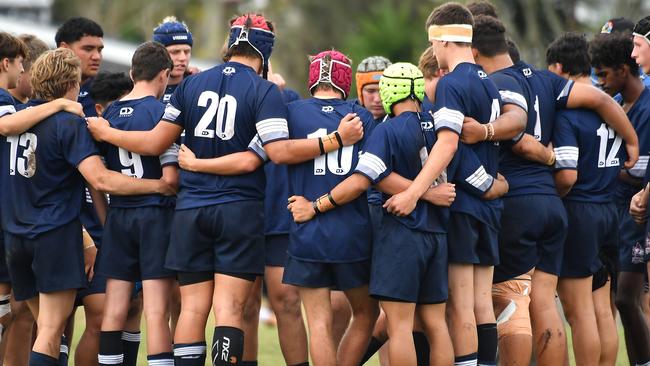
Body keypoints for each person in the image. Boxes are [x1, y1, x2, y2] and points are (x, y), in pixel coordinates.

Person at [86, 14, 364, 366]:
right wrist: (336, 139)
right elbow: (277, 153)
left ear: (231, 45)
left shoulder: (190, 84)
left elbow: (156, 141)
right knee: (230, 308)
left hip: (190, 210)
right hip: (238, 209)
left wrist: (107, 132)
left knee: (192, 308)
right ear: (265, 52)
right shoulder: (264, 90)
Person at [289, 61, 509, 366]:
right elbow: (482, 184)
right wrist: (504, 184)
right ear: (419, 89)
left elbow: (368, 177)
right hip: (438, 238)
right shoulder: (446, 131)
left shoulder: (388, 130)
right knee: (435, 323)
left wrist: (315, 206)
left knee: (400, 325)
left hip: (401, 236)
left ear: (389, 90)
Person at [469, 15, 638, 365]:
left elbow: (541, 155)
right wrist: (632, 141)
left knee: (517, 302)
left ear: (473, 52)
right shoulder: (545, 80)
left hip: (524, 201)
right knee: (553, 305)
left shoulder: (495, 83)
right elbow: (603, 100)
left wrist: (536, 154)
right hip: (566, 207)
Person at [1, 47, 174, 366]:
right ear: (71, 84)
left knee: (45, 330)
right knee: (52, 331)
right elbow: (102, 180)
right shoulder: (67, 123)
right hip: (51, 234)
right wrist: (158, 186)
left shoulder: (17, 119)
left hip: (15, 238)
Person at [384, 4, 526, 365]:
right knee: (481, 304)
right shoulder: (487, 82)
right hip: (490, 207)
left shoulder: (450, 83)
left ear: (442, 41)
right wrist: (492, 186)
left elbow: (450, 144)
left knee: (460, 307)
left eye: (432, 44)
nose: (431, 51)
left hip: (465, 205)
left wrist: (414, 192)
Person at [551, 32, 635, 366]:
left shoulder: (568, 113)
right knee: (603, 307)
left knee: (578, 310)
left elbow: (568, 174)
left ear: (558, 69)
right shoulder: (610, 104)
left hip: (580, 211)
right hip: (610, 209)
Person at [95, 41, 179, 366]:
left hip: (119, 216)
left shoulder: (110, 114)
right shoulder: (163, 113)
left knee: (114, 309)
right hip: (156, 215)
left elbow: (98, 178)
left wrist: (108, 219)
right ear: (164, 75)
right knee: (157, 312)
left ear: (132, 73)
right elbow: (171, 179)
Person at [593, 26, 650, 366]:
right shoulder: (612, 104)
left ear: (624, 70)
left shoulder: (647, 107)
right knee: (618, 300)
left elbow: (639, 170)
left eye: (603, 74)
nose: (599, 82)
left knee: (628, 299)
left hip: (637, 214)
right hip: (609, 213)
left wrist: (599, 171)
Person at [89, 71, 144, 366]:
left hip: (126, 226)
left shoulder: (118, 128)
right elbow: (97, 182)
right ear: (100, 109)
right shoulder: (95, 131)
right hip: (108, 231)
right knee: (104, 313)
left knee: (134, 308)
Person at [8, 34, 49, 105]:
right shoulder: (4, 105)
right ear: (21, 70)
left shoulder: (36, 105)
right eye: (41, 75)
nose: (44, 83)